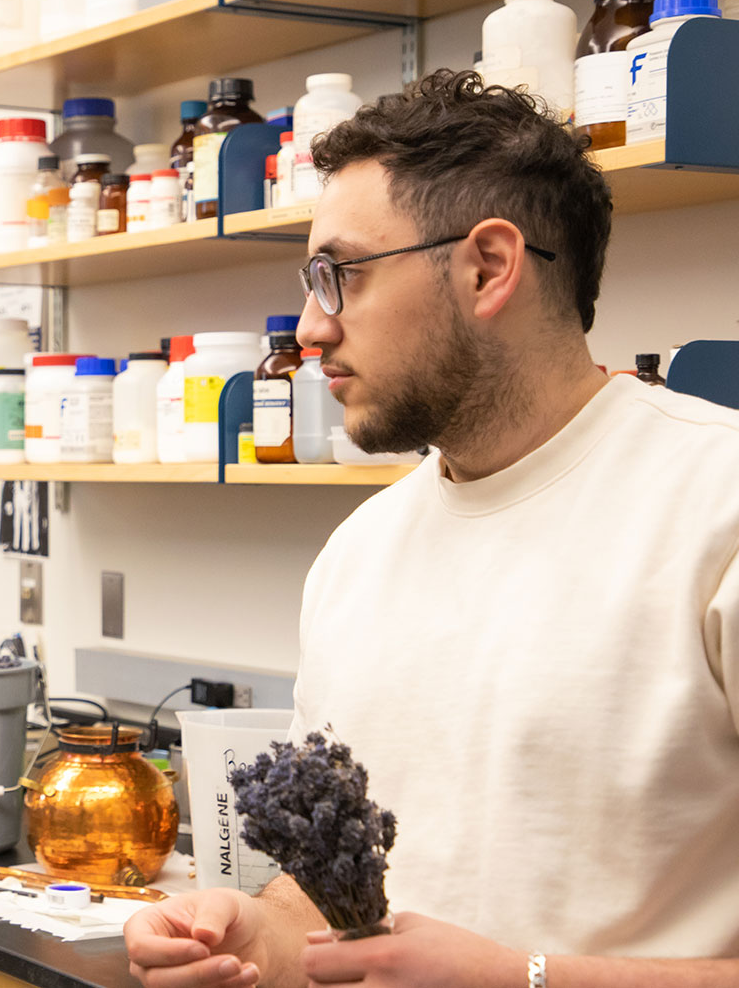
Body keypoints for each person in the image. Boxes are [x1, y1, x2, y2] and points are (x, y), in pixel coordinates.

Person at [125, 70, 739, 987]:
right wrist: (255, 932)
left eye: (340, 275)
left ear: (487, 267)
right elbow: (339, 906)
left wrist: (524, 977)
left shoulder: (715, 506)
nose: (309, 329)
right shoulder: (358, 555)